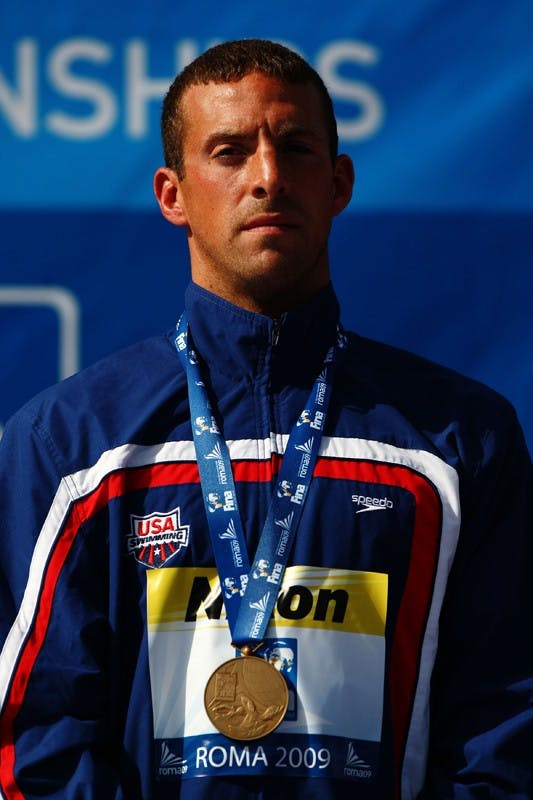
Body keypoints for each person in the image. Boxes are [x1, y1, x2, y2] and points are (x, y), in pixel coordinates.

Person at [0, 38, 531, 800]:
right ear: (171, 193)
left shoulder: (459, 437)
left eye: (294, 147)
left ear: (338, 181)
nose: (267, 177)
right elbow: (34, 736)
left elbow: (505, 724)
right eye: (228, 151)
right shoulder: (71, 443)